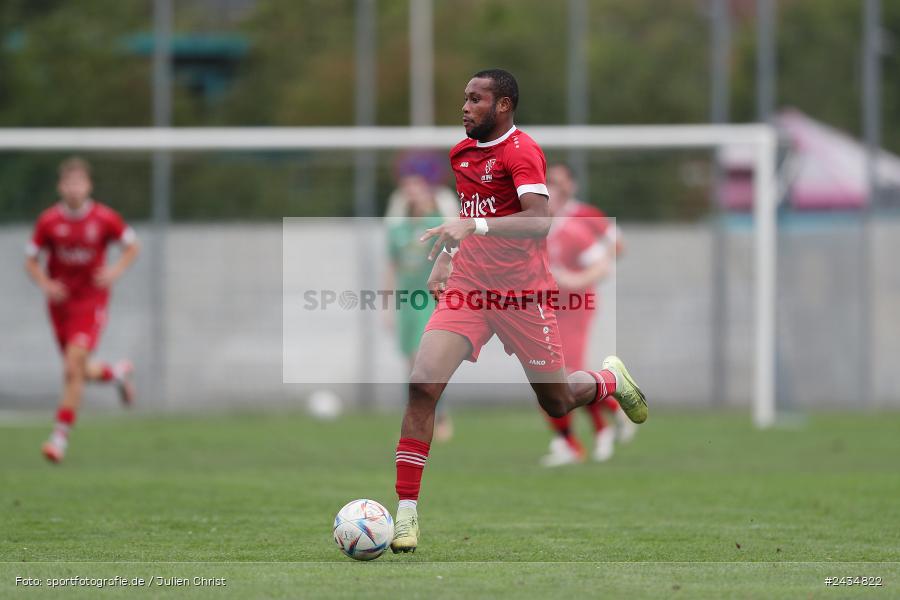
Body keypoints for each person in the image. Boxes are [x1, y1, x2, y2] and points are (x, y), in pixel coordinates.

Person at [389, 69, 647, 554]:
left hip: (522, 296)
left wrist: (475, 228)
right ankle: (405, 515)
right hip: (469, 288)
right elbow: (470, 214)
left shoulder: (522, 151)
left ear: (503, 105)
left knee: (557, 401)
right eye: (465, 98)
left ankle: (609, 380)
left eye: (476, 99)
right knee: (422, 384)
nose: (465, 107)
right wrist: (448, 253)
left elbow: (538, 221)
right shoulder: (461, 154)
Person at [25, 157, 140, 463]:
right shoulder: (49, 221)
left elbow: (132, 245)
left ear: (88, 186)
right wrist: (46, 283)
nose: (74, 189)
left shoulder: (104, 218)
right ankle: (116, 374)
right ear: (60, 187)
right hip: (60, 304)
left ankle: (59, 437)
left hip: (91, 301)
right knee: (77, 369)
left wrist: (114, 271)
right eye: (69, 183)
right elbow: (30, 260)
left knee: (72, 366)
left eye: (79, 183)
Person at [539, 163, 636, 467]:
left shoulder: (581, 220)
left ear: (571, 185)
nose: (552, 188)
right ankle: (590, 431)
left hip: (577, 305)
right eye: (548, 182)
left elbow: (614, 250)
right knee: (546, 377)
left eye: (558, 182)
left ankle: (604, 412)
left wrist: (577, 278)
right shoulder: (534, 225)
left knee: (565, 376)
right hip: (545, 307)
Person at [385, 156, 457, 442]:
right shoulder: (398, 228)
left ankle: (431, 418)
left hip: (430, 299)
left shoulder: (439, 222)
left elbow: (454, 255)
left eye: (417, 185)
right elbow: (392, 266)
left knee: (424, 361)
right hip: (407, 301)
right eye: (408, 186)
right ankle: (428, 417)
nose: (412, 191)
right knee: (412, 363)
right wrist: (387, 305)